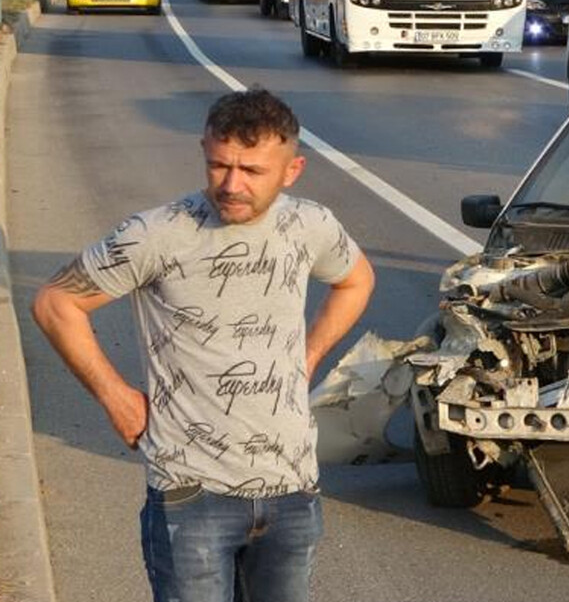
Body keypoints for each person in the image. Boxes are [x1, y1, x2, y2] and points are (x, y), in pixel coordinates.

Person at [31, 88, 375, 602]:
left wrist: (306, 358)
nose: (231, 185)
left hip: (291, 491)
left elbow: (356, 280)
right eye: (219, 165)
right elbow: (57, 303)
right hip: (191, 496)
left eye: (252, 171)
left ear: (292, 170)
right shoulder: (157, 234)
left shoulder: (310, 225)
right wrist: (116, 399)